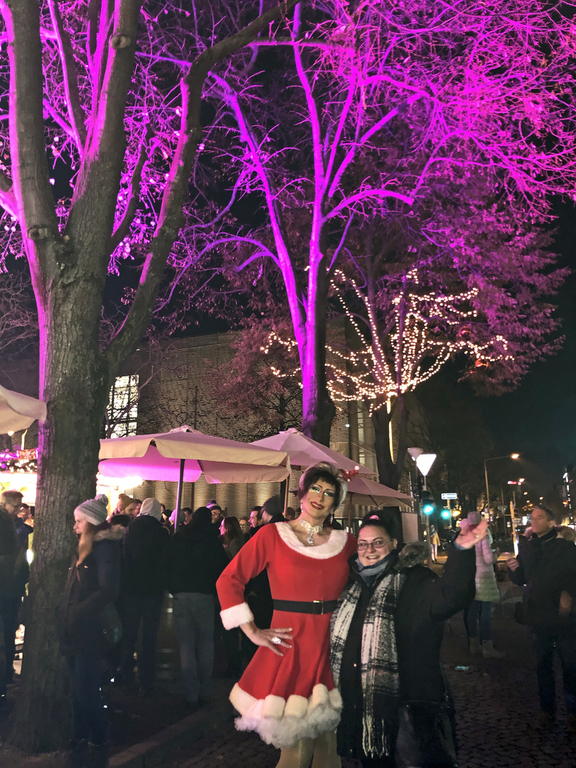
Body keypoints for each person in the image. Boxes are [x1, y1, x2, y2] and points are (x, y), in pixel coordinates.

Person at [217, 462, 356, 768]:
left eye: (329, 493)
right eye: (315, 488)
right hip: (292, 646)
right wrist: (251, 630)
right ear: (302, 494)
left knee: (329, 750)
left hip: (333, 647)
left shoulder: (346, 543)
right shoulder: (273, 535)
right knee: (297, 753)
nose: (320, 497)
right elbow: (229, 580)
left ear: (336, 503)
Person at [330, 511, 484, 767]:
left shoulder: (415, 579)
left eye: (378, 542)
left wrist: (461, 551)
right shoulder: (351, 585)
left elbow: (451, 597)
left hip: (409, 703)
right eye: (363, 544)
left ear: (393, 544)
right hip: (364, 707)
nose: (369, 550)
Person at [57, 494, 122, 768]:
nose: (75, 526)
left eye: (79, 521)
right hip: (76, 628)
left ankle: (96, 737)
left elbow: (107, 589)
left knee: (86, 687)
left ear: (92, 523)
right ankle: (81, 734)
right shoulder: (86, 548)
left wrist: (78, 611)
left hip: (89, 630)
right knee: (77, 687)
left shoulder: (103, 549)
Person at [508, 504, 576, 730]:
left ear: (550, 522)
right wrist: (514, 569)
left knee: (569, 663)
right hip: (537, 613)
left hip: (563, 614)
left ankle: (573, 712)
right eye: (532, 517)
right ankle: (547, 711)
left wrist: (569, 594)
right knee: (542, 665)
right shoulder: (528, 547)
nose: (534, 521)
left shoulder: (565, 546)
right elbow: (522, 579)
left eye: (539, 517)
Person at [167, 507, 229, 709]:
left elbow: (169, 564)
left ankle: (191, 691)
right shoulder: (212, 540)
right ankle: (205, 688)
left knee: (186, 645)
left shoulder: (179, 537)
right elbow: (222, 567)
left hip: (181, 594)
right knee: (205, 643)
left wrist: (174, 588)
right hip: (204, 595)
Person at [119, 498, 169, 695]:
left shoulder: (129, 530)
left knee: (129, 632)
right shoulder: (161, 533)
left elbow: (124, 558)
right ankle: (146, 678)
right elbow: (165, 562)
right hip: (152, 590)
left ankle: (126, 674)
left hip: (131, 588)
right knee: (149, 635)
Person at [465, 511, 504, 659]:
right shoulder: (483, 535)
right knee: (485, 613)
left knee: (472, 612)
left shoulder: (464, 536)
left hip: (470, 578)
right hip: (484, 578)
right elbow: (488, 559)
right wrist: (496, 554)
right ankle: (487, 645)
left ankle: (473, 644)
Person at [0, 490, 25, 695]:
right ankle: (5, 675)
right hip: (6, 587)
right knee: (7, 631)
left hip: (8, 586)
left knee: (8, 631)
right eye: (16, 506)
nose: (19, 510)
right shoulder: (5, 523)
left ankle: (6, 673)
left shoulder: (10, 522)